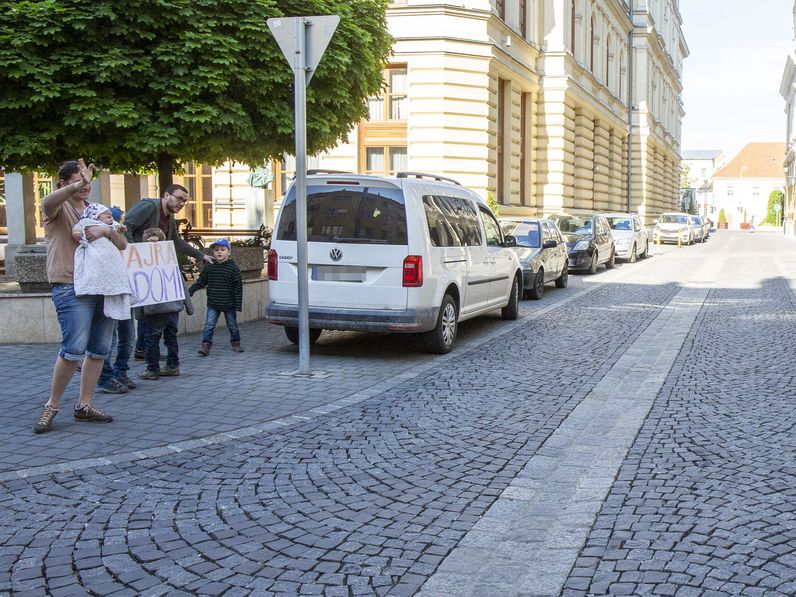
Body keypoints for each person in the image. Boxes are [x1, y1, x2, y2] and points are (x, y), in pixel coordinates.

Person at [34, 159, 127, 434]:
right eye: (79, 180)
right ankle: (51, 406)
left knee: (99, 349)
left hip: (102, 286)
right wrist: (79, 183)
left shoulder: (96, 211)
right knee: (73, 349)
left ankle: (84, 405)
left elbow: (123, 243)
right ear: (64, 183)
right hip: (70, 284)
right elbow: (47, 201)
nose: (87, 185)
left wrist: (106, 230)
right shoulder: (56, 207)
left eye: (88, 180)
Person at [122, 184, 213, 359]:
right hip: (140, 267)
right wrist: (133, 255)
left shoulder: (168, 216)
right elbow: (127, 227)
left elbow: (176, 241)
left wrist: (201, 255)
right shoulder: (148, 207)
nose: (181, 203)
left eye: (185, 201)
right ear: (166, 195)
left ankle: (143, 348)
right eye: (179, 199)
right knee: (146, 308)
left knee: (150, 307)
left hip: (152, 268)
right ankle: (142, 349)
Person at [136, 228, 193, 380]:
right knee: (171, 338)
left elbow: (140, 290)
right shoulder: (170, 262)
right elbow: (182, 286)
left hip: (154, 310)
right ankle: (173, 366)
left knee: (152, 340)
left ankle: (153, 369)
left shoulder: (143, 265)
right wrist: (189, 308)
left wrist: (139, 313)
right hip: (173, 309)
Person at [97, 207, 137, 393]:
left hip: (125, 290)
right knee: (108, 340)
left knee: (127, 337)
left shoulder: (119, 233)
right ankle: (105, 377)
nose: (121, 223)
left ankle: (120, 372)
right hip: (109, 293)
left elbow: (125, 246)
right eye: (114, 219)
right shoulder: (96, 236)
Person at [189, 239, 244, 355]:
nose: (219, 252)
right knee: (209, 325)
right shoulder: (209, 267)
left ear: (228, 252)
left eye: (222, 250)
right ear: (213, 252)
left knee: (232, 325)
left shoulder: (233, 268)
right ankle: (206, 346)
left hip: (229, 304)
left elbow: (238, 288)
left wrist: (238, 305)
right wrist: (190, 291)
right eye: (216, 250)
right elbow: (201, 282)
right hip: (213, 303)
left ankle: (236, 343)